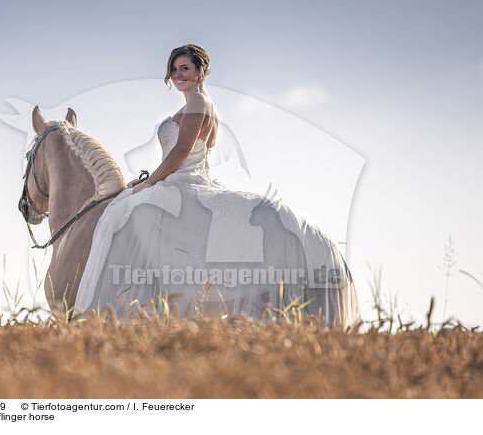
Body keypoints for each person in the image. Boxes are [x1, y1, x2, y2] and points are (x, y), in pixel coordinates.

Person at [73, 44, 361, 327]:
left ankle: (123, 311)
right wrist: (146, 181)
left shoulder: (198, 101)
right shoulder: (198, 102)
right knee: (127, 205)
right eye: (174, 69)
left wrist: (150, 182)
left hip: (184, 180)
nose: (178, 75)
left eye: (184, 68)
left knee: (124, 213)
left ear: (200, 71)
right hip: (179, 177)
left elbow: (181, 152)